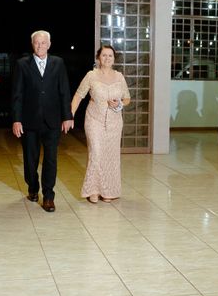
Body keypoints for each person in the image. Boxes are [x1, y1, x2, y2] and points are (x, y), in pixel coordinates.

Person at [11, 30, 73, 212]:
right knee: (30, 161)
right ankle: (32, 187)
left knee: (51, 159)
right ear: (32, 45)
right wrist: (16, 120)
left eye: (43, 43)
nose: (40, 46)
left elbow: (64, 91)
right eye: (37, 43)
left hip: (52, 121)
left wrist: (67, 116)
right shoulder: (22, 64)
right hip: (29, 121)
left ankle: (48, 196)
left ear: (49, 44)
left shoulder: (58, 63)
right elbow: (17, 95)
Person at [71, 45, 130, 203]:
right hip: (94, 120)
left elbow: (127, 98)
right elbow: (78, 96)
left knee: (110, 156)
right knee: (96, 153)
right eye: (104, 55)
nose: (107, 58)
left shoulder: (119, 77)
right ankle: (93, 190)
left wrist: (119, 103)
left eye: (110, 56)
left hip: (114, 122)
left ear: (114, 59)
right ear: (98, 58)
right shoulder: (91, 75)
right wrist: (70, 115)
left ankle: (108, 191)